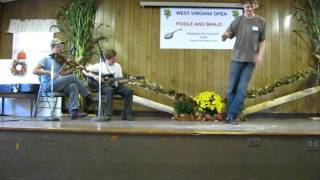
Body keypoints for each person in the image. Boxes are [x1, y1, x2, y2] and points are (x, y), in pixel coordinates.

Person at [221, 0, 266, 124]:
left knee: (242, 89)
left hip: (250, 61)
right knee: (231, 89)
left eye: (251, 6)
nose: (249, 8)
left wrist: (260, 55)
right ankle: (231, 116)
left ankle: (232, 116)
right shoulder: (238, 21)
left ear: (255, 6)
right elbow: (224, 37)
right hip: (236, 59)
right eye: (247, 6)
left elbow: (262, 40)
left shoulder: (261, 22)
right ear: (244, 6)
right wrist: (225, 35)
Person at [33, 38, 95, 119]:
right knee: (73, 78)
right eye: (58, 47)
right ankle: (88, 96)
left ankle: (74, 112)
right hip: (48, 85)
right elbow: (34, 71)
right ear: (52, 47)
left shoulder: (59, 60)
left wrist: (74, 68)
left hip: (58, 84)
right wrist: (49, 73)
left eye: (61, 47)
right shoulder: (45, 59)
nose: (61, 49)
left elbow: (62, 74)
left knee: (73, 85)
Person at [83, 49, 133, 121]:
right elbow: (84, 70)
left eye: (115, 58)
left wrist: (128, 80)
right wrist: (94, 76)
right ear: (107, 58)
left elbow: (120, 80)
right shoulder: (100, 65)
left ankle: (126, 114)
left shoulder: (118, 66)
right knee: (110, 90)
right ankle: (107, 114)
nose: (115, 60)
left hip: (116, 86)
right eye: (113, 59)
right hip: (104, 87)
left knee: (129, 91)